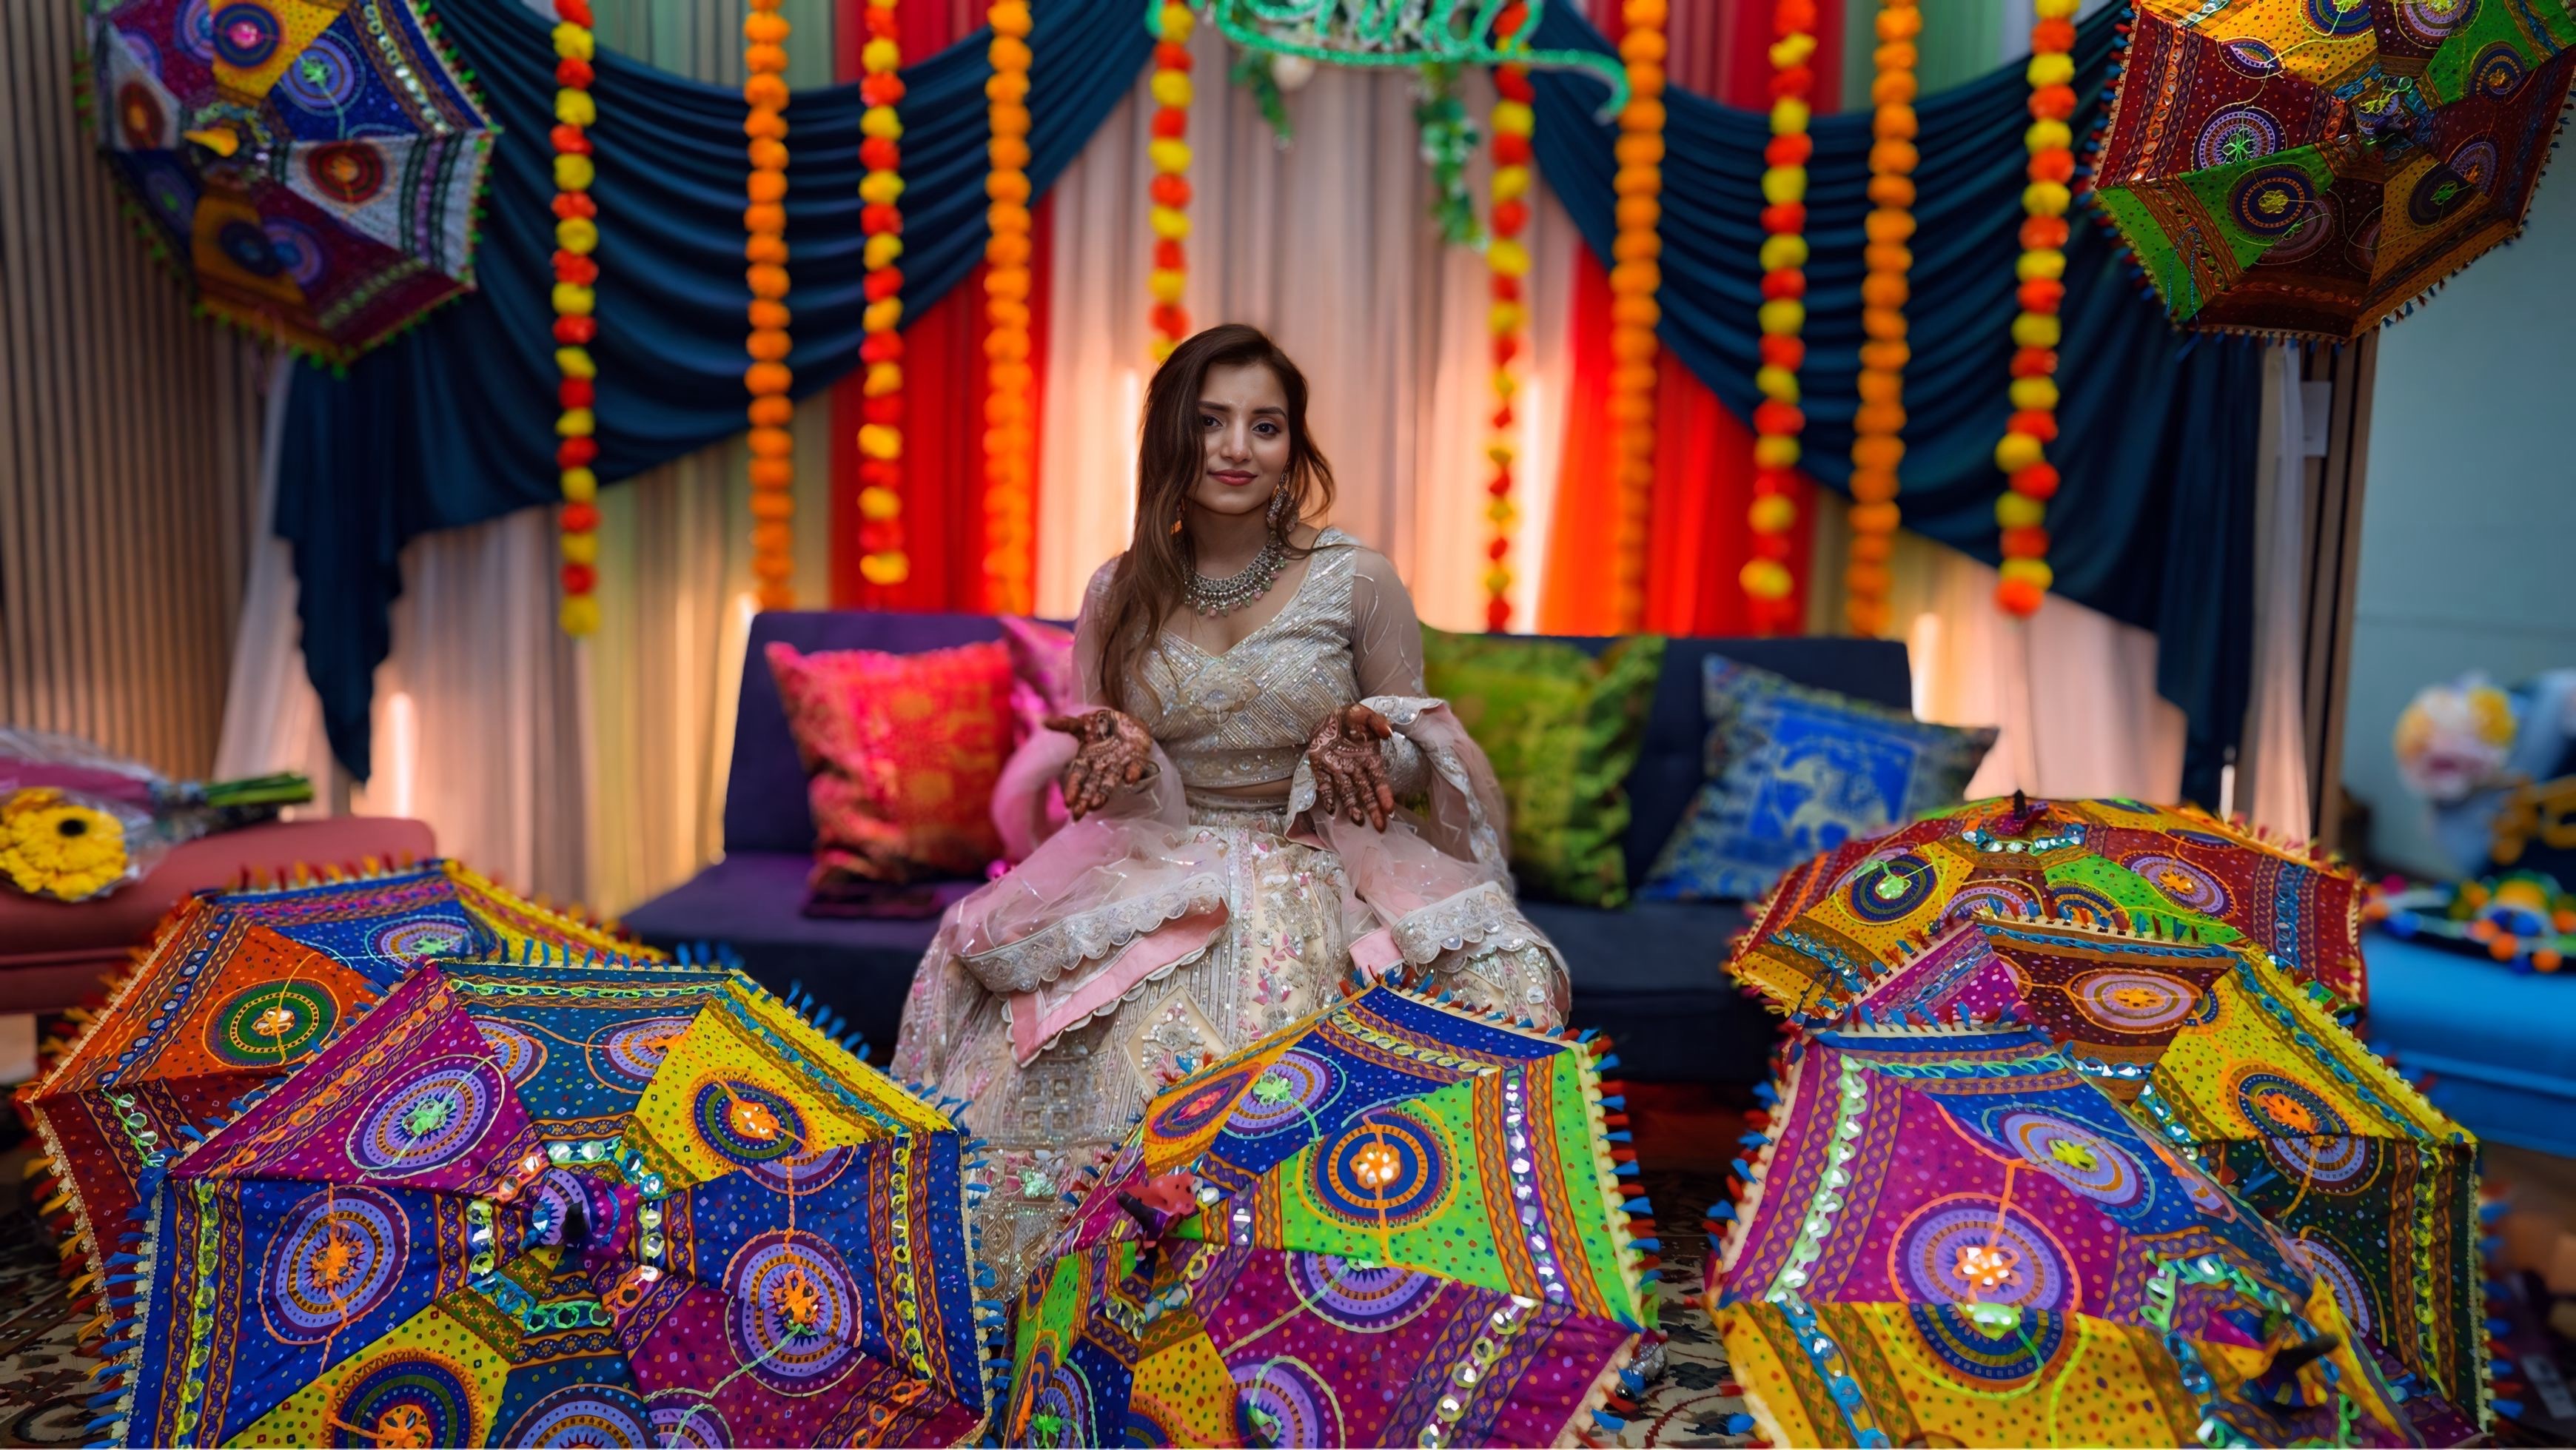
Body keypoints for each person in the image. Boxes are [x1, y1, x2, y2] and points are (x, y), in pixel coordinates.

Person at [890, 323, 1568, 1292]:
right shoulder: (1119, 590)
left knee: (1496, 980)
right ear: (1172, 434)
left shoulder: (1357, 580)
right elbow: (1110, 778)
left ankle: (1357, 1293)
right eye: (1211, 422)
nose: (1237, 448)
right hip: (1159, 865)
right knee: (1069, 1022)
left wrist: (1365, 736)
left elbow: (1421, 749)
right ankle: (1069, 1296)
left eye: (1265, 425)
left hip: (1322, 861)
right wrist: (1123, 754)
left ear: (1295, 448)